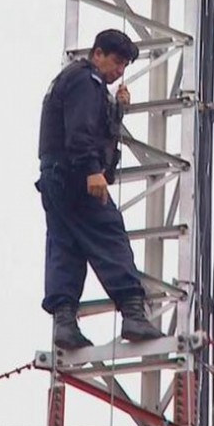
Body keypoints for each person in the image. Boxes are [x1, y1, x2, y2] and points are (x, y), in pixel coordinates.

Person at [37, 29, 164, 349]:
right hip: (77, 175)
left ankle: (64, 322)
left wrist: (116, 109)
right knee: (109, 236)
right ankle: (134, 314)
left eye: (124, 65)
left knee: (65, 247)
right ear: (98, 54)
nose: (119, 70)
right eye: (117, 61)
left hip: (56, 179)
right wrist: (93, 171)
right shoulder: (85, 80)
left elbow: (84, 124)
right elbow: (80, 132)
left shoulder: (74, 80)